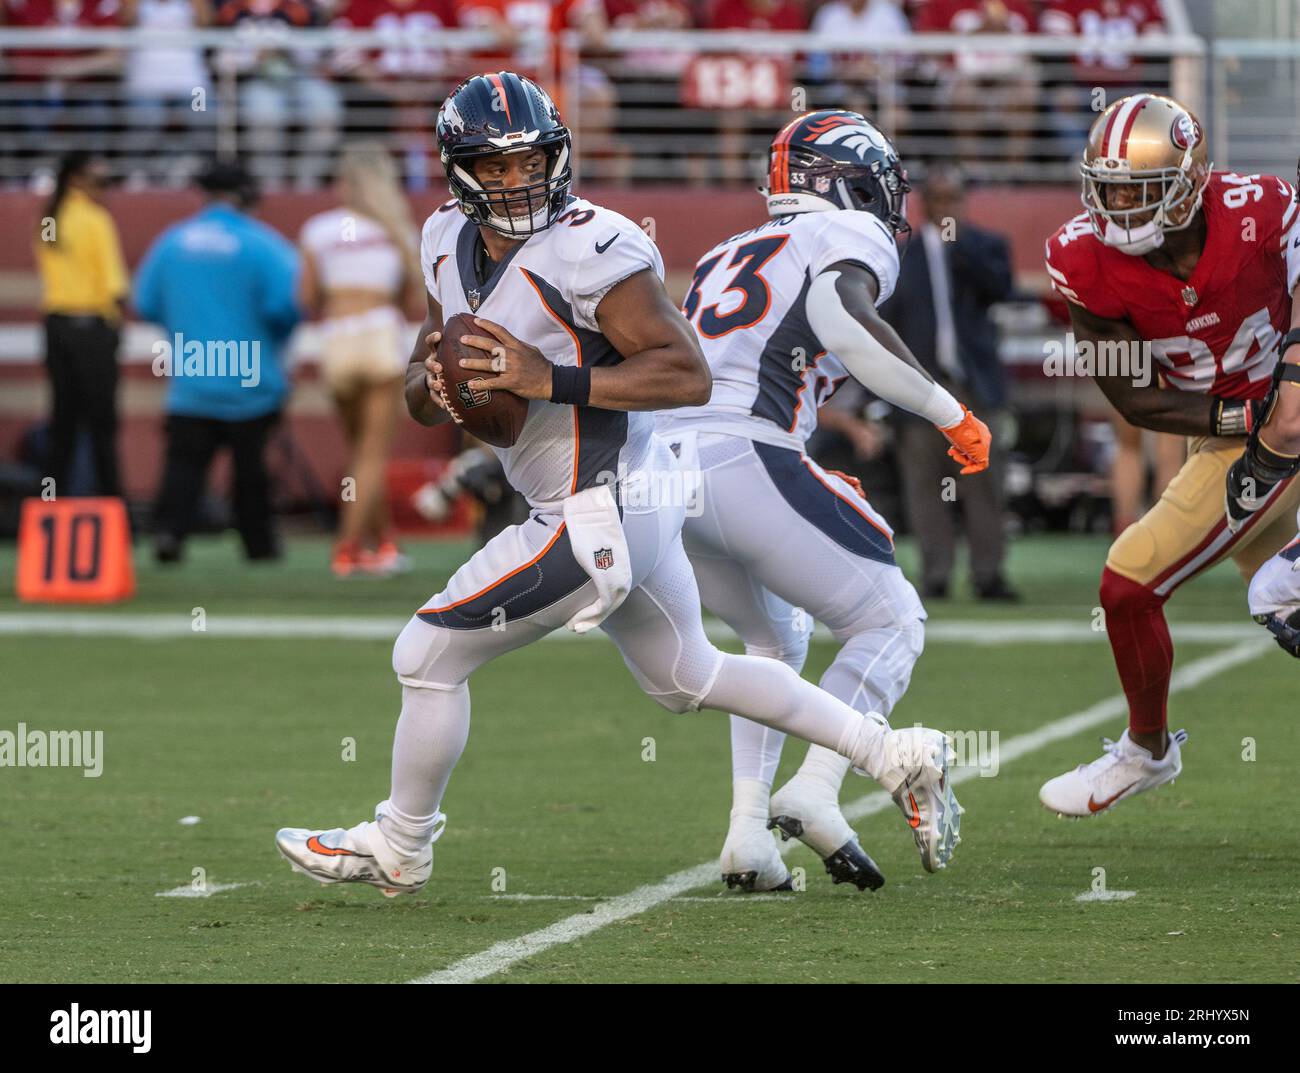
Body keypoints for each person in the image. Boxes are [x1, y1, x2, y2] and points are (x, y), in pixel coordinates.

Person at [275, 73, 962, 897]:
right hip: (611, 494)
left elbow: (687, 373)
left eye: (530, 161)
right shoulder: (439, 239)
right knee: (691, 676)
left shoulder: (592, 244)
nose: (515, 180)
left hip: (600, 502)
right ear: (458, 172)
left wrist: (545, 378)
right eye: (493, 168)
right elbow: (428, 374)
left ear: (559, 156)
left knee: (425, 655)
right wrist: (438, 384)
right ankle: (892, 751)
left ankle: (399, 843)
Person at [658, 111, 989, 892]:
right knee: (891, 617)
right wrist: (951, 412)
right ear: (845, 180)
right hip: (742, 452)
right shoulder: (843, 237)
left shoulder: (724, 251)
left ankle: (746, 835)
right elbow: (844, 319)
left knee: (773, 643)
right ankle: (815, 788)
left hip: (664, 473)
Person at [1040, 93, 1300, 817]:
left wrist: (1292, 385)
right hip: (1229, 435)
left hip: (1291, 410)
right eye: (1108, 188)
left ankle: (1145, 750)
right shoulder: (1081, 258)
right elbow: (1133, 398)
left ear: (1189, 182)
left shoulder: (1262, 210)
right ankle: (1148, 749)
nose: (1119, 207)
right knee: (1285, 599)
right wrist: (1250, 415)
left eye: (1139, 191)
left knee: (1129, 580)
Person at [134, 158, 301, 563]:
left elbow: (145, 302)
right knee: (251, 471)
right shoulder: (264, 243)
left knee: (184, 467)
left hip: (193, 377)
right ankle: (257, 544)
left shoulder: (171, 242)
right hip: (251, 376)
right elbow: (287, 306)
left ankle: (169, 534)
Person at [880, 165, 1016, 600]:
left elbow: (1000, 289)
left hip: (969, 383)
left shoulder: (985, 246)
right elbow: (886, 323)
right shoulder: (899, 256)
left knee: (983, 485)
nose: (946, 207)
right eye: (937, 199)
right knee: (923, 484)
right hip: (920, 384)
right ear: (923, 205)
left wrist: (955, 247)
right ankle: (935, 574)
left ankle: (988, 573)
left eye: (952, 198)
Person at [299, 143, 421, 577]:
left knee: (360, 453)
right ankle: (348, 548)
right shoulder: (399, 230)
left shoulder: (318, 229)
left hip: (336, 338)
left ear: (346, 184)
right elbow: (413, 300)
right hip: (380, 334)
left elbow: (308, 297)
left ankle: (384, 543)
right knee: (370, 454)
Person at [33, 151, 127, 499]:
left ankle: (51, 504)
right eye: (99, 181)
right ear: (76, 179)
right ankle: (113, 508)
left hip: (57, 328)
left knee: (63, 423)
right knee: (103, 426)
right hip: (92, 329)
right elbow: (114, 284)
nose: (106, 189)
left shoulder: (49, 219)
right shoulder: (95, 219)